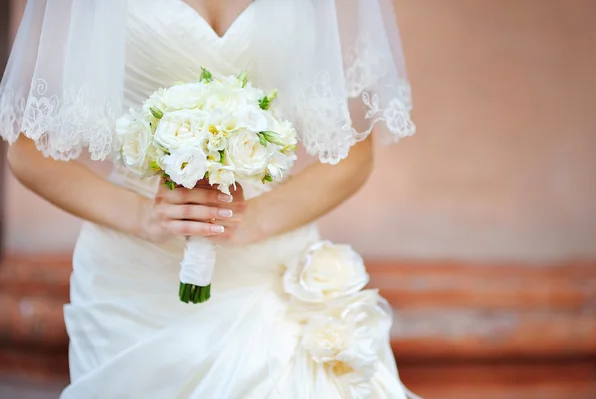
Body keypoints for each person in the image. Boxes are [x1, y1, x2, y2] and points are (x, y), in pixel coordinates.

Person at [0, 0, 417, 397]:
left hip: (269, 267)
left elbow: (355, 152)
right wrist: (143, 214)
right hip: (133, 280)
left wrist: (257, 218)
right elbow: (27, 153)